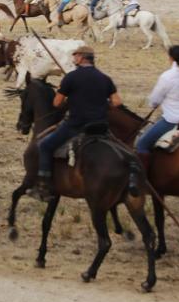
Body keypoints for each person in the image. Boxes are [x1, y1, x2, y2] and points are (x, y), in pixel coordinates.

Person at [31, 45, 121, 201]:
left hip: (75, 125)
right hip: (101, 126)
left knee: (44, 146)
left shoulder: (71, 77)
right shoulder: (105, 78)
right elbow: (117, 103)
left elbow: (57, 103)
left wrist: (68, 95)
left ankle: (44, 186)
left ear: (81, 57)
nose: (73, 59)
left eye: (75, 56)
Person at [134, 45, 179, 184]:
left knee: (141, 144)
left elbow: (154, 100)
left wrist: (154, 104)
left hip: (172, 120)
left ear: (170, 58)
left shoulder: (167, 76)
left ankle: (142, 181)